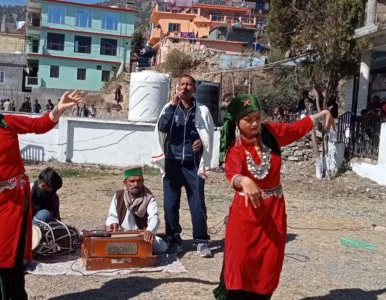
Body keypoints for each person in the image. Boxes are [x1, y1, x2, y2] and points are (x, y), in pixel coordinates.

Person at [0, 87, 86, 299]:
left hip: (12, 199)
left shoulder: (5, 122)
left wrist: (59, 108)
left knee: (4, 256)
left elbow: (38, 125)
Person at [214, 94, 334, 300]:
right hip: (246, 218)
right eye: (248, 119)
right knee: (241, 265)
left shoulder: (270, 133)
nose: (254, 124)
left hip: (274, 215)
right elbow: (231, 173)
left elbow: (295, 129)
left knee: (268, 265)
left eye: (257, 118)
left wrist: (322, 114)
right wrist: (243, 180)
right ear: (236, 122)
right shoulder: (236, 149)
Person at [152, 74, 214, 257]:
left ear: (194, 89)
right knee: (170, 205)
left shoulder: (202, 111)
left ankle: (201, 241)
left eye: (189, 85)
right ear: (177, 87)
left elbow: (208, 136)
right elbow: (162, 127)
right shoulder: (169, 108)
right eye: (182, 84)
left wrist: (201, 144)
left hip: (192, 165)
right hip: (172, 164)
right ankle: (174, 239)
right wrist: (172, 105)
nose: (185, 88)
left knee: (197, 204)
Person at [105, 166, 168, 254]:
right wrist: (113, 223)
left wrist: (149, 231)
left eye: (139, 181)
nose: (136, 184)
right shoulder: (118, 195)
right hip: (121, 233)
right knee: (104, 244)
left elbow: (154, 217)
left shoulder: (149, 197)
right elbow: (112, 215)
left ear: (143, 181)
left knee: (162, 247)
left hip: (141, 234)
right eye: (132, 181)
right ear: (125, 183)